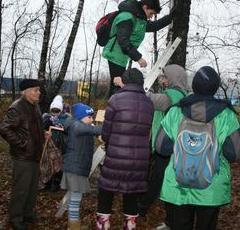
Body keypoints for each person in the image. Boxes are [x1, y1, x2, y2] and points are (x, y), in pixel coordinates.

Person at [154, 66, 240, 230]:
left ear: (194, 85)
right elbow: (236, 153)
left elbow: (161, 147)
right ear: (215, 87)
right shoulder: (226, 115)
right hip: (211, 186)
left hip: (178, 185)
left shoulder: (176, 111)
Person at [96, 68, 154, 230]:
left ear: (125, 80)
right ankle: (129, 226)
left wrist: (105, 137)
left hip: (116, 158)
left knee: (106, 194)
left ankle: (103, 226)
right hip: (139, 160)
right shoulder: (149, 103)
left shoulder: (115, 99)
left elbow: (106, 133)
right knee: (131, 197)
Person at [136, 64, 188, 228]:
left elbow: (152, 100)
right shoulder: (184, 95)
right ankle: (170, 221)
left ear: (173, 78)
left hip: (166, 146)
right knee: (168, 181)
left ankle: (141, 208)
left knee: (157, 179)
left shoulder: (172, 96)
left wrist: (132, 87)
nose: (163, 81)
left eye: (165, 77)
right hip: (177, 146)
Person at [0, 79, 49, 230]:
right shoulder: (17, 107)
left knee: (32, 187)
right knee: (21, 187)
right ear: (26, 92)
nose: (39, 92)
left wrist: (43, 133)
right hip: (23, 156)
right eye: (36, 90)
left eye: (38, 90)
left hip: (35, 154)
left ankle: (27, 212)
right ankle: (15, 218)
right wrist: (24, 144)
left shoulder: (35, 106)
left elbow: (33, 127)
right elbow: (5, 129)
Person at [102, 0, 175, 96]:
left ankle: (115, 109)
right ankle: (114, 110)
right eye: (151, 13)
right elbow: (123, 41)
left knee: (118, 86)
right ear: (145, 7)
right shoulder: (127, 17)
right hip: (115, 54)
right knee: (117, 86)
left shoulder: (139, 19)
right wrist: (139, 58)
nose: (151, 16)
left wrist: (171, 17)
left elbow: (154, 26)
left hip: (120, 56)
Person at [61, 103, 102, 230]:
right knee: (75, 198)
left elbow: (92, 131)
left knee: (76, 197)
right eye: (89, 117)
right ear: (80, 117)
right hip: (75, 168)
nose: (91, 120)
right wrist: (107, 128)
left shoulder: (78, 125)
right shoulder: (77, 126)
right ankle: (73, 227)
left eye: (92, 117)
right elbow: (93, 130)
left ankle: (74, 224)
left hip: (77, 167)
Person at [42, 95, 70, 191]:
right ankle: (47, 182)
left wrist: (60, 125)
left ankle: (56, 183)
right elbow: (42, 128)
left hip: (60, 144)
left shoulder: (66, 118)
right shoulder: (47, 117)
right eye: (53, 111)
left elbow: (67, 130)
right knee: (48, 163)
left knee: (58, 163)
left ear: (61, 110)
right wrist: (48, 123)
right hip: (49, 143)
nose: (55, 113)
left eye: (57, 111)